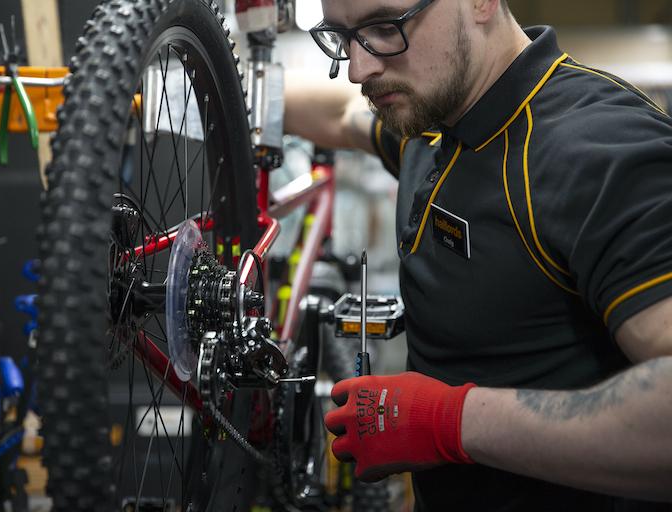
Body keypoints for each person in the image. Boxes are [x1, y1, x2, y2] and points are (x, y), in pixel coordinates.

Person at [284, 0, 672, 510]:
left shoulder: (596, 152)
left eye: (384, 27)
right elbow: (340, 114)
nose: (359, 69)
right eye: (342, 37)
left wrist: (448, 422)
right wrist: (189, 82)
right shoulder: (436, 118)